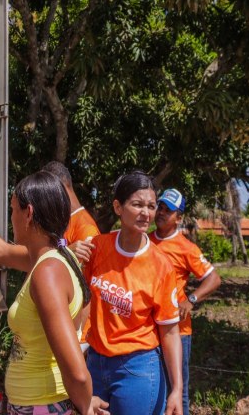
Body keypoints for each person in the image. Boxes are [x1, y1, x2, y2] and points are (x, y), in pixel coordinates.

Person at [0, 171, 108, 415]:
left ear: (29, 213)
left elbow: (76, 371)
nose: (11, 216)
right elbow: (0, 251)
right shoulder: (56, 257)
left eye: (13, 209)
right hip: (40, 403)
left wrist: (85, 405)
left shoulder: (48, 273)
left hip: (40, 405)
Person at [83, 171, 182, 415]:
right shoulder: (98, 247)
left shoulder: (161, 265)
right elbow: (78, 296)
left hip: (137, 369)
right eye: (137, 204)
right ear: (118, 207)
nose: (146, 213)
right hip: (95, 364)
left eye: (150, 206)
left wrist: (177, 388)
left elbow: (169, 332)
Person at [151, 188, 221, 415]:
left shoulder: (186, 248)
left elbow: (214, 278)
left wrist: (191, 300)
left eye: (168, 210)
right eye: (159, 207)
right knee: (155, 387)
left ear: (179, 218)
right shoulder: (144, 241)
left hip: (178, 331)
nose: (161, 213)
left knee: (178, 390)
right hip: (149, 329)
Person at [42, 161, 100, 262]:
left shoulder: (86, 229)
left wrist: (66, 254)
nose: (45, 202)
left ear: (59, 189)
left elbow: (80, 275)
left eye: (46, 194)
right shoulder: (65, 222)